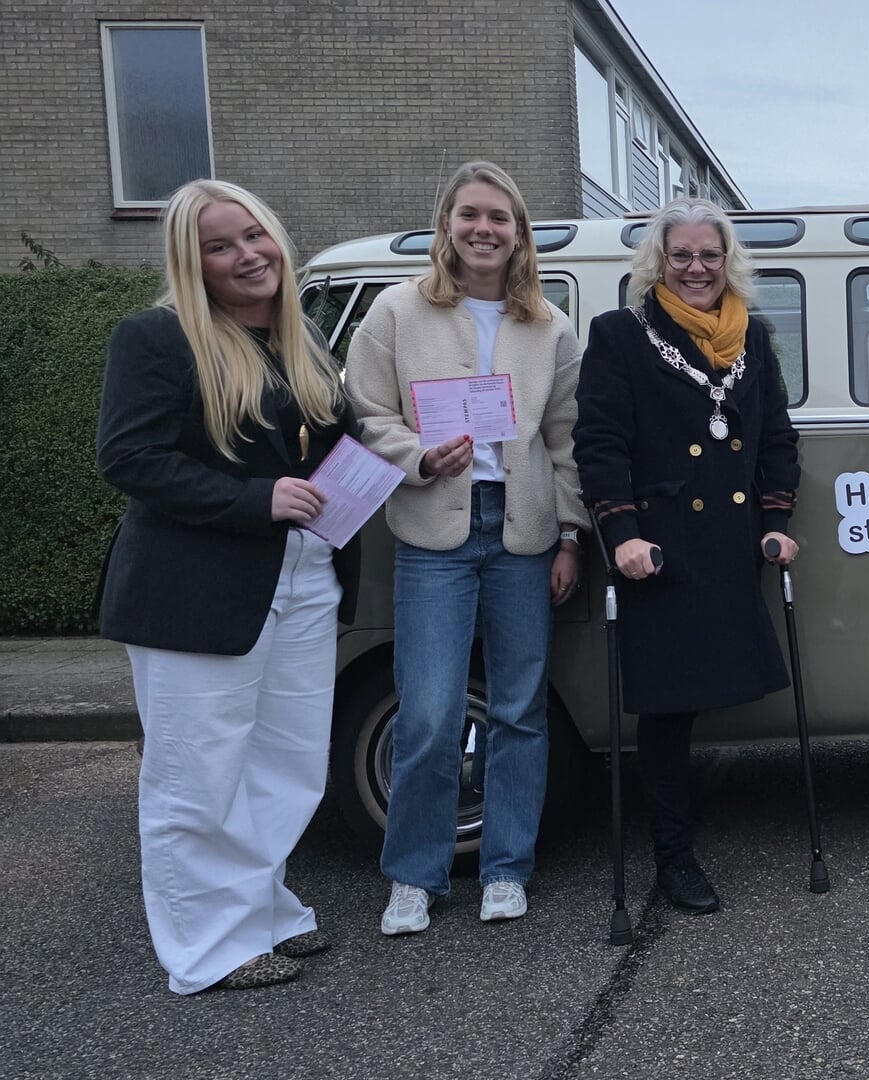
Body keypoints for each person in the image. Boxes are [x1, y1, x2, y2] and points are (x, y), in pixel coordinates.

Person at [97, 179, 357, 992]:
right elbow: (129, 458)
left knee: (288, 764)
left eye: (253, 235)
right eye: (220, 246)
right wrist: (255, 501)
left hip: (304, 578)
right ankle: (207, 950)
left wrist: (415, 455)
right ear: (193, 261)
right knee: (197, 775)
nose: (247, 255)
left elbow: (330, 444)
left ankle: (262, 913)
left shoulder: (301, 340)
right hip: (195, 590)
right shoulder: (156, 337)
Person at [345, 162, 589, 933]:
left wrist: (571, 535)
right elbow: (365, 411)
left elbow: (566, 440)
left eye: (499, 217)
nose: (484, 229)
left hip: (524, 532)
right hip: (433, 532)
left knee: (519, 709)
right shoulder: (396, 310)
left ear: (518, 233)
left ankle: (506, 868)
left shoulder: (549, 327)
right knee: (427, 712)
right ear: (446, 224)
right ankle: (412, 876)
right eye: (470, 214)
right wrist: (419, 455)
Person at [571, 197, 800, 915]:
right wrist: (621, 533)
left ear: (727, 261)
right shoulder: (620, 334)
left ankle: (679, 842)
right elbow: (599, 443)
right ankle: (674, 857)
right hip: (660, 549)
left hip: (729, 544)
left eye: (709, 255)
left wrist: (775, 520)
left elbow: (776, 438)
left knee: (700, 700)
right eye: (682, 255)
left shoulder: (752, 336)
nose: (696, 268)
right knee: (667, 711)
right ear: (658, 262)